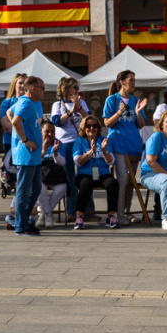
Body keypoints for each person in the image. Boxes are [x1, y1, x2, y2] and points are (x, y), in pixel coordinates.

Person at [103, 70, 149, 225]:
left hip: (134, 144)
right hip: (118, 143)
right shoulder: (112, 99)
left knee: (130, 181)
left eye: (134, 80)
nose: (133, 83)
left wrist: (138, 112)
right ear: (121, 82)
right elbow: (107, 123)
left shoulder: (135, 100)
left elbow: (140, 125)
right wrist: (119, 113)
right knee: (122, 180)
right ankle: (119, 214)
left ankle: (127, 211)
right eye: (131, 80)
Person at [8, 76, 45, 236]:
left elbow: (10, 112)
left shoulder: (30, 102)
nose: (45, 91)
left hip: (34, 155)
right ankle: (21, 226)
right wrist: (24, 140)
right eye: (42, 88)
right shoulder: (26, 103)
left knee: (35, 188)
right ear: (33, 89)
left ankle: (19, 220)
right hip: (26, 156)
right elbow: (15, 121)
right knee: (24, 191)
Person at [71, 114, 119, 229]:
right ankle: (79, 217)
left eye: (94, 126)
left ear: (98, 128)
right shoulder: (79, 141)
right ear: (83, 128)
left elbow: (111, 161)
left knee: (113, 183)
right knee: (85, 184)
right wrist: (89, 153)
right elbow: (78, 161)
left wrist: (104, 150)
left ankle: (111, 216)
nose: (92, 128)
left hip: (102, 174)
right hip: (85, 174)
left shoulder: (104, 140)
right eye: (88, 126)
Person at [51, 77, 89, 209]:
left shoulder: (82, 103)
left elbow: (89, 120)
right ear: (65, 89)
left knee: (85, 175)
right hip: (65, 143)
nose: (77, 90)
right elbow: (57, 121)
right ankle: (72, 210)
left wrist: (79, 107)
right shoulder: (58, 105)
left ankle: (87, 209)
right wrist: (71, 111)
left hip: (80, 142)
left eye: (78, 87)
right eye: (75, 87)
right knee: (69, 177)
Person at [36, 120, 67, 228]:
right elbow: (34, 162)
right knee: (40, 188)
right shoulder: (36, 142)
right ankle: (48, 214)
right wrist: (43, 151)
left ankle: (43, 214)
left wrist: (55, 153)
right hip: (41, 177)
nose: (50, 134)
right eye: (47, 131)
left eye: (52, 131)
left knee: (63, 187)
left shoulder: (58, 143)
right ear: (41, 131)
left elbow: (62, 163)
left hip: (54, 176)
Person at [0, 74, 27, 155]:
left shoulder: (33, 102)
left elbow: (36, 122)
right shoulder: (6, 102)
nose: (23, 86)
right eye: (20, 83)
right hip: (10, 141)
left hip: (28, 141)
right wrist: (25, 128)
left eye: (25, 83)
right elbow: (5, 123)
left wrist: (14, 126)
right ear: (14, 85)